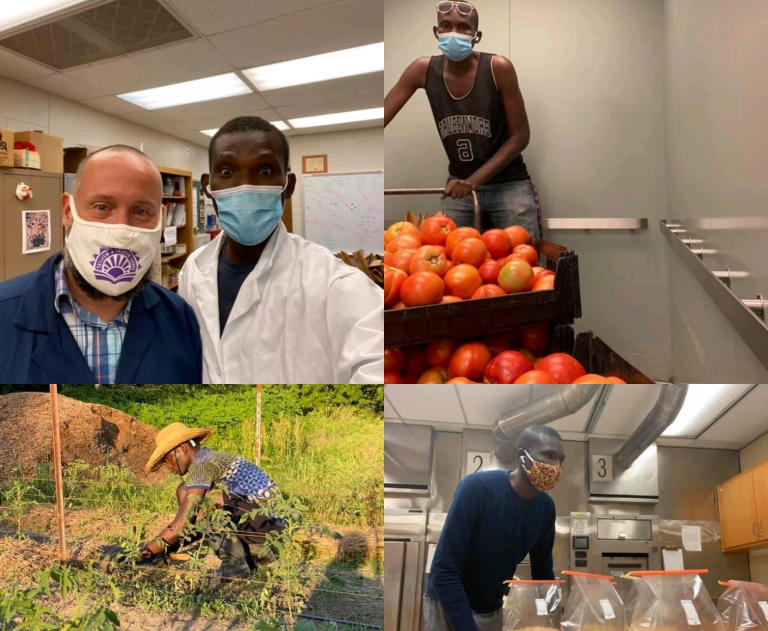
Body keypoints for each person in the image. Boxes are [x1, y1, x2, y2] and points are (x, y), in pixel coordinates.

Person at [179, 116, 383, 384]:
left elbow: (376, 362)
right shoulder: (192, 270)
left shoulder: (337, 284)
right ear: (208, 185)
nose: (245, 186)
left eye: (264, 171)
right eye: (227, 172)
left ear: (289, 185)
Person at [424, 425, 565, 631]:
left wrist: (555, 627)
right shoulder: (478, 489)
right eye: (549, 456)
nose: (556, 466)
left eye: (561, 460)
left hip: (490, 609)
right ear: (523, 456)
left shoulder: (545, 509)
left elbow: (543, 578)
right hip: (448, 607)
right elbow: (443, 571)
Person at [0, 145, 202, 384]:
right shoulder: (4, 313)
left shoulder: (180, 318)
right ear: (67, 211)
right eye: (102, 207)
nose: (121, 229)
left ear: (160, 219)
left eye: (141, 211)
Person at [384, 1, 541, 236]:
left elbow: (521, 136)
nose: (453, 32)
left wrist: (474, 181)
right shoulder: (422, 70)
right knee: (451, 264)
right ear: (436, 32)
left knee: (522, 260)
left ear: (476, 35)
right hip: (458, 186)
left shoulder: (498, 67)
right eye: (446, 25)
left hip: (509, 184)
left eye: (463, 27)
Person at [141, 422, 286, 579]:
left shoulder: (203, 465)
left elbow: (182, 524)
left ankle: (235, 566)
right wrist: (165, 549)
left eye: (167, 459)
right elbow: (194, 525)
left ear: (182, 449)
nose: (168, 466)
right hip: (266, 522)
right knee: (185, 490)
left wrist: (143, 553)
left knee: (203, 502)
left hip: (268, 522)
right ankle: (258, 552)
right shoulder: (207, 458)